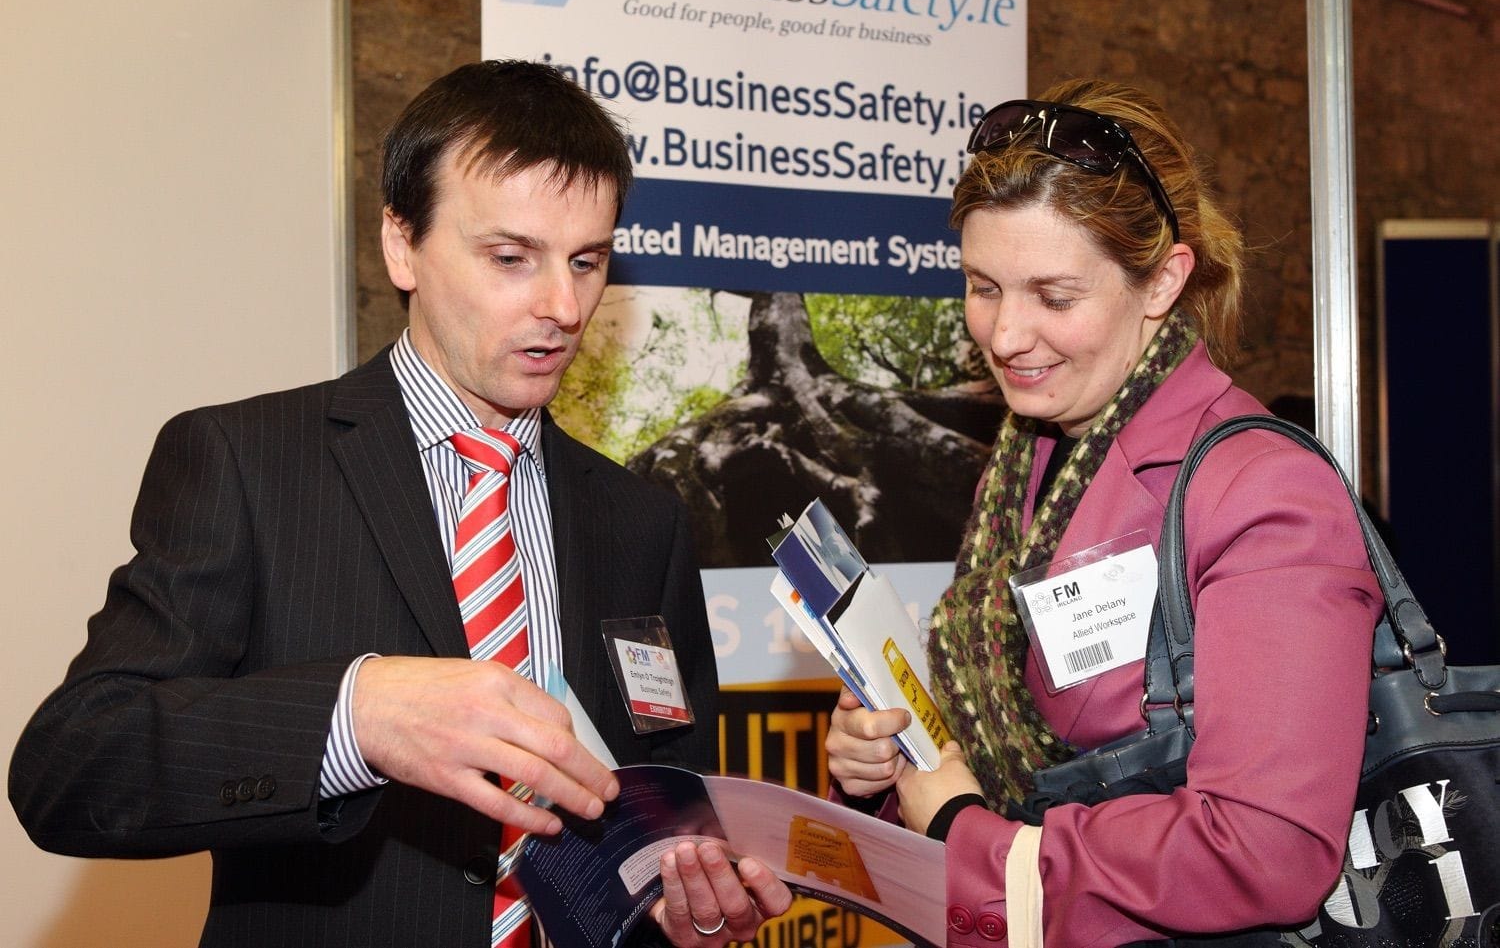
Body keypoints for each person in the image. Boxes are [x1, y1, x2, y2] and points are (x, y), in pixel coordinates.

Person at [10, 59, 789, 948]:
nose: (564, 305)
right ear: (401, 244)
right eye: (511, 257)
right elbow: (71, 766)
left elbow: (670, 791)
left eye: (588, 259)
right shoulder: (245, 462)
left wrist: (682, 897)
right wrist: (357, 716)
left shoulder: (641, 518)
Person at [825, 79, 1382, 947]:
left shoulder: (1261, 486)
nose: (1006, 335)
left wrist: (968, 837)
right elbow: (1018, 740)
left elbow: (1268, 849)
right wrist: (890, 770)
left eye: (1053, 297)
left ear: (1162, 281)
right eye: (982, 286)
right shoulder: (1025, 464)